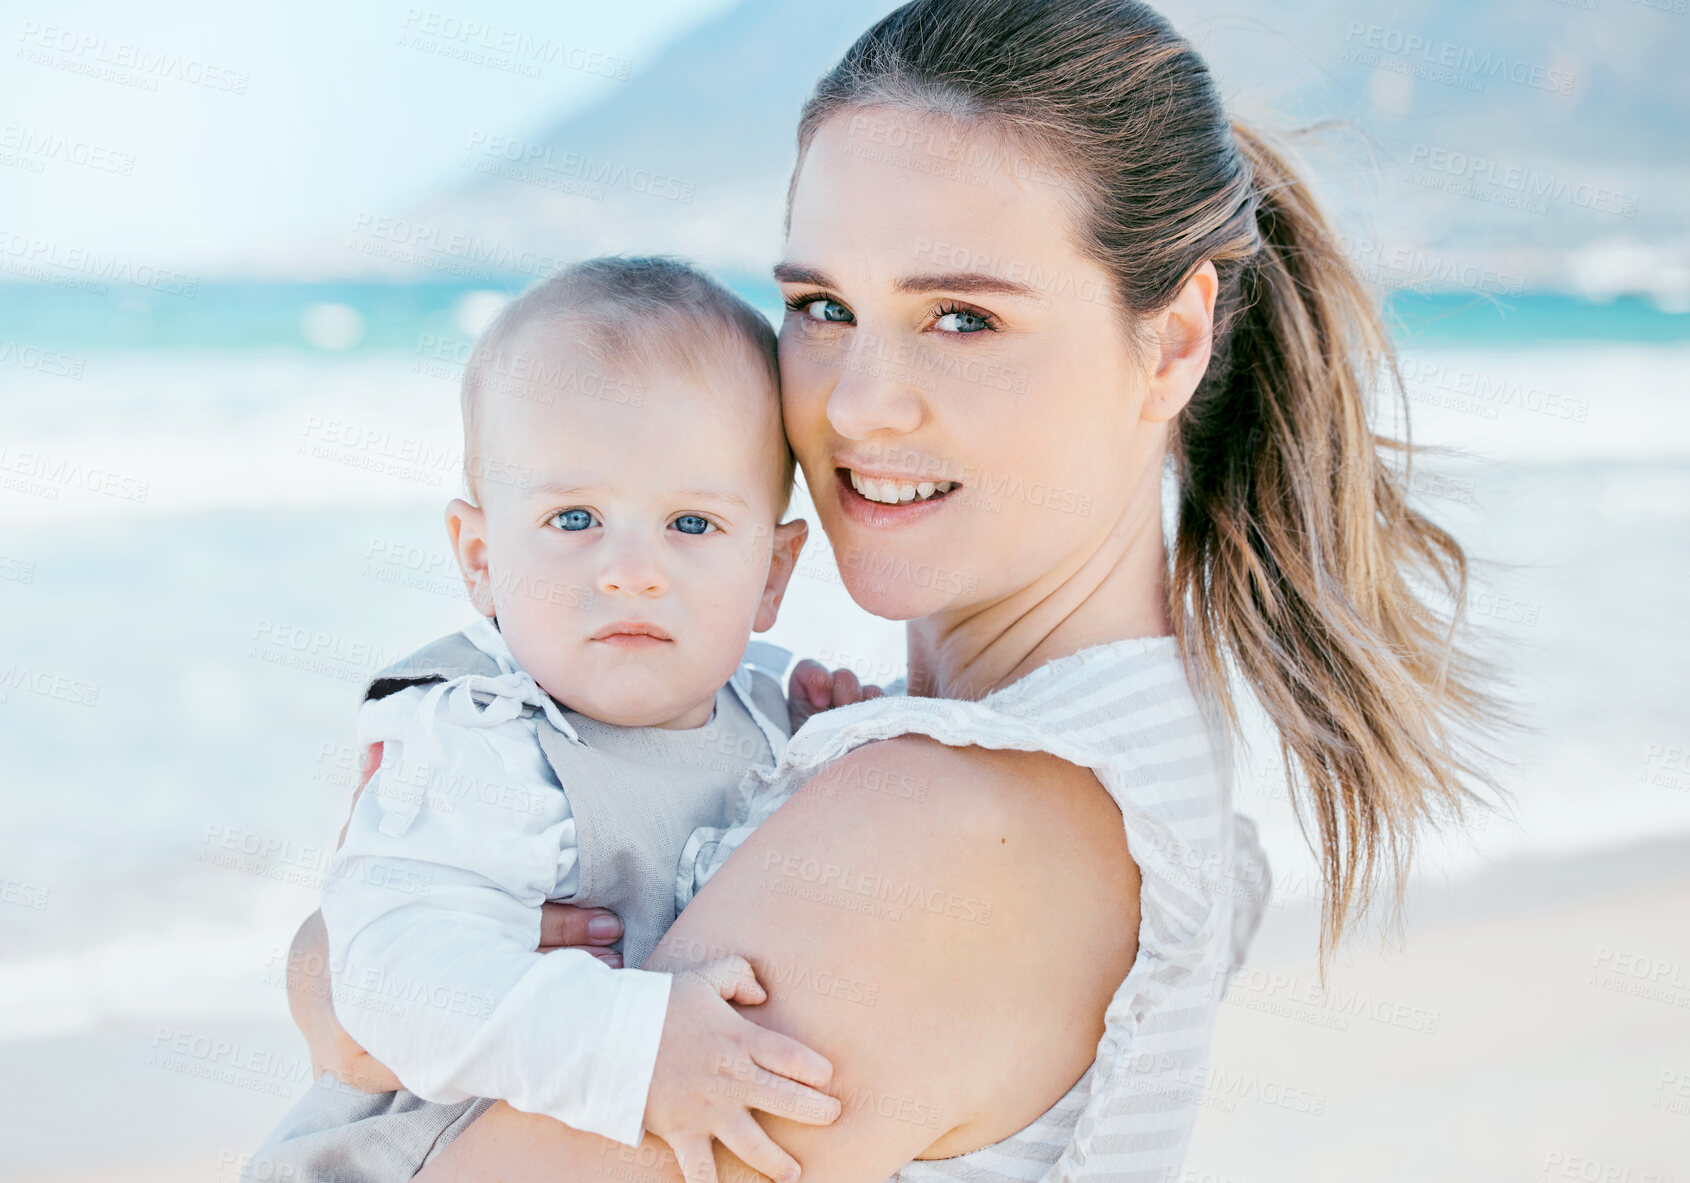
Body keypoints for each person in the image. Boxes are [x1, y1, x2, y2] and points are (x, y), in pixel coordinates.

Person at [286, 1, 1497, 1179]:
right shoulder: (1096, 738)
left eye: (961, 317)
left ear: (1174, 341)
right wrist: (372, 963)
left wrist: (362, 972)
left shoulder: (939, 832)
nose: (858, 402)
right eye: (822, 306)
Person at [247, 257, 887, 1183]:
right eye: (575, 516)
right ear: (478, 556)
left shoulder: (776, 709)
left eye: (694, 525)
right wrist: (635, 1051)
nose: (632, 570)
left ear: (774, 573)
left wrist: (847, 742)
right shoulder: (476, 733)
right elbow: (391, 977)